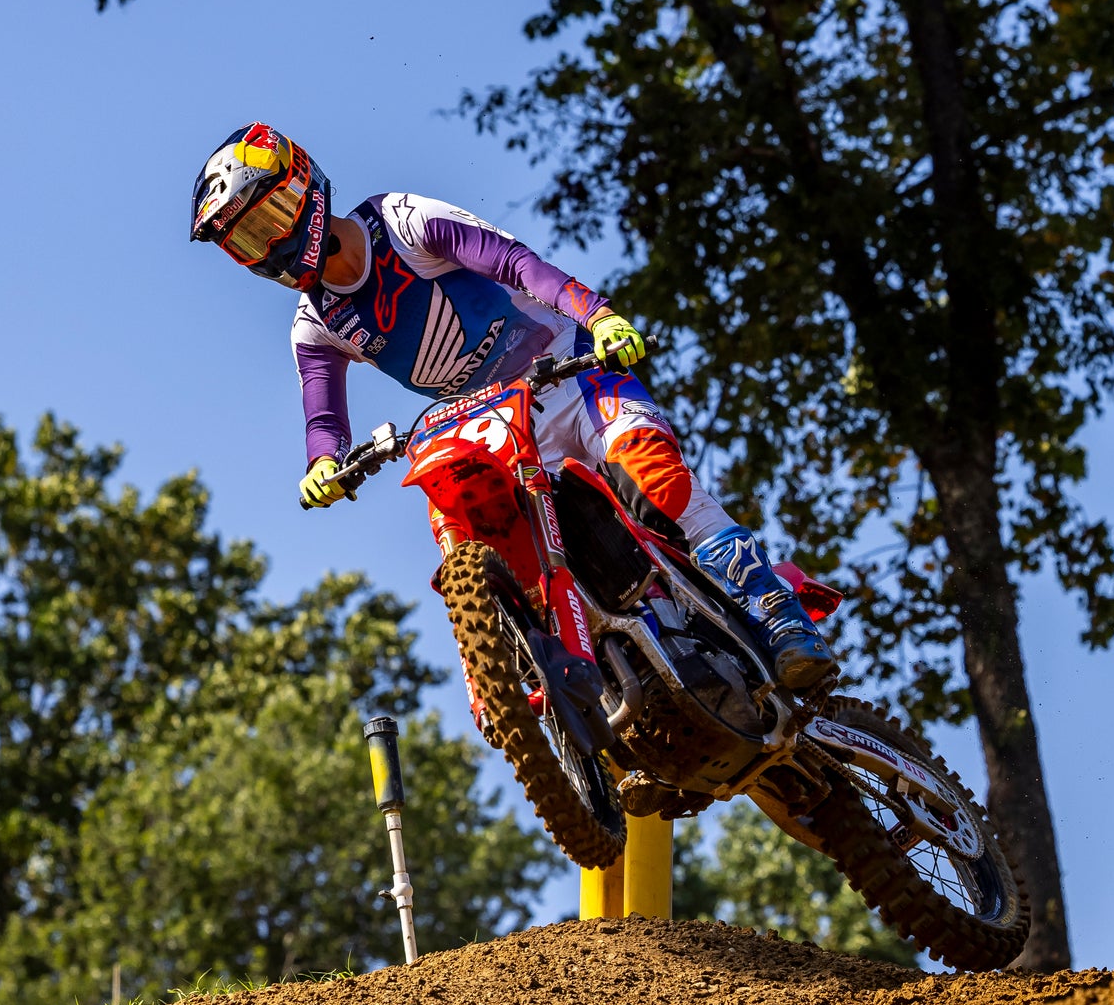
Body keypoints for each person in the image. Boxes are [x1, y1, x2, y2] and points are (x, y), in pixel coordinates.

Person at [189, 122, 833, 690]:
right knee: (494, 550)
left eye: (268, 222)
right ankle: (554, 689)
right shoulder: (314, 326)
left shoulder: (403, 219)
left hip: (569, 370)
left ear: (302, 185)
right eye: (247, 243)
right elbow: (324, 418)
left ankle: (776, 613)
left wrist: (598, 315)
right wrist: (323, 465)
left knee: (655, 478)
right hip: (492, 425)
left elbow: (516, 264)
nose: (268, 248)